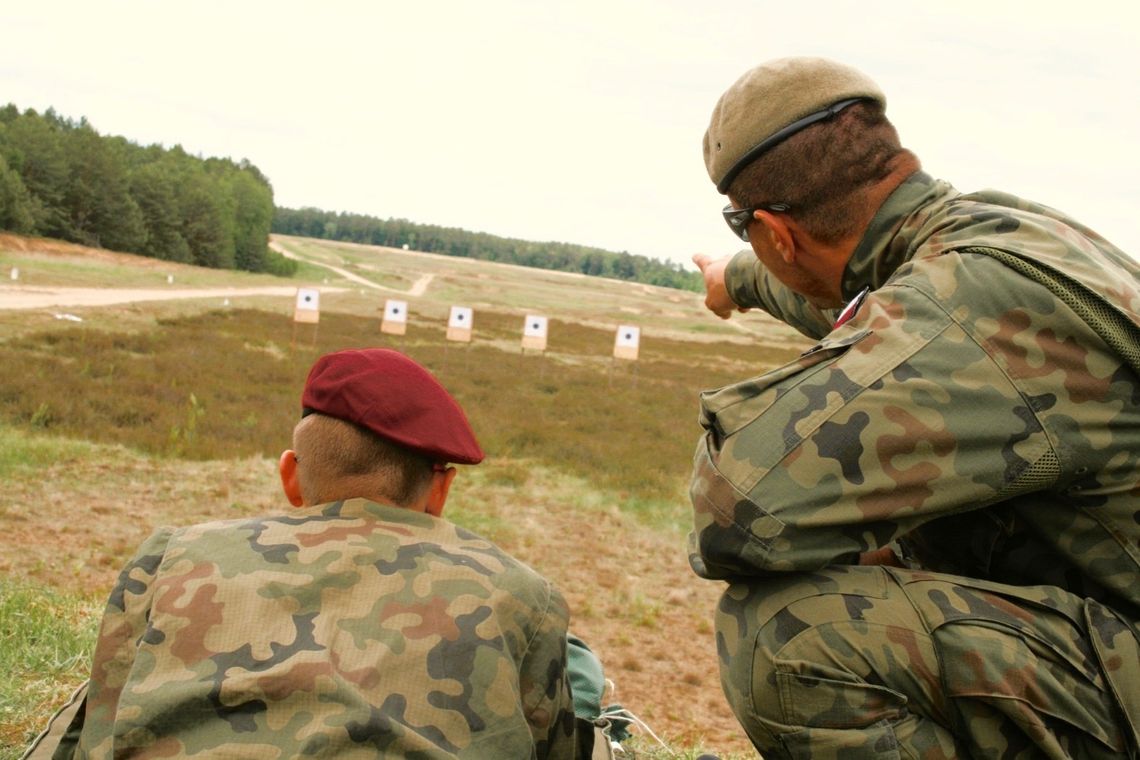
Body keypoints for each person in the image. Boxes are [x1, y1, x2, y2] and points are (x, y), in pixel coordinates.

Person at [688, 56, 1140, 758]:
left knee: (789, 634)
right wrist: (735, 280)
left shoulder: (951, 305)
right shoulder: (1007, 237)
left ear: (778, 233)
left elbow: (737, 512)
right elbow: (848, 296)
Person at [30, 348, 578, 758]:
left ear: (291, 476)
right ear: (440, 491)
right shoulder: (524, 597)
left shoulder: (171, 555)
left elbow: (93, 737)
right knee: (581, 669)